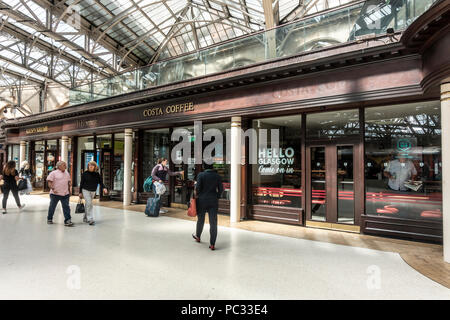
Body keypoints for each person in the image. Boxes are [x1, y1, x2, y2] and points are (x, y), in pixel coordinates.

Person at [192, 163, 223, 251]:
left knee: (200, 220)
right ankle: (212, 244)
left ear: (204, 167)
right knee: (213, 222)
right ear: (212, 167)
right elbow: (221, 189)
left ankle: (198, 237)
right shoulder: (217, 176)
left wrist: (196, 187)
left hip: (201, 201)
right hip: (213, 201)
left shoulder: (201, 175)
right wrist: (217, 196)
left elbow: (197, 189)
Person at [79, 161, 108, 225]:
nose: (91, 166)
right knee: (89, 203)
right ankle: (90, 219)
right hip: (85, 190)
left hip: (93, 190)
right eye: (89, 165)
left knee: (87, 204)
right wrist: (80, 192)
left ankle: (85, 218)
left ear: (95, 167)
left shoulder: (97, 174)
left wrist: (104, 188)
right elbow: (81, 183)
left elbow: (101, 182)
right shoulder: (85, 173)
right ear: (88, 166)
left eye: (92, 165)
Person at [46, 161, 73, 226]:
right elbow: (49, 182)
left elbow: (69, 181)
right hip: (55, 194)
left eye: (65, 165)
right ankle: (49, 218)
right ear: (59, 166)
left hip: (65, 193)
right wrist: (53, 188)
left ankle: (67, 220)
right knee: (52, 207)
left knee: (66, 207)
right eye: (64, 165)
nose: (66, 166)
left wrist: (70, 188)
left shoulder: (67, 173)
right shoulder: (53, 173)